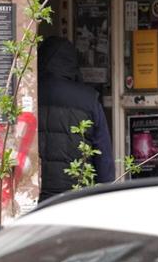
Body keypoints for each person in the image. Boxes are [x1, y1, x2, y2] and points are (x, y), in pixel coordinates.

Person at [38, 35, 115, 201]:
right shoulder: (88, 99)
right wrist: (106, 193)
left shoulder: (29, 95)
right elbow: (103, 156)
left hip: (37, 193)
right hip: (76, 193)